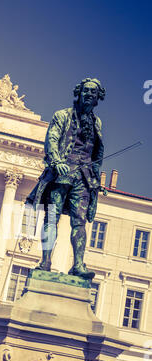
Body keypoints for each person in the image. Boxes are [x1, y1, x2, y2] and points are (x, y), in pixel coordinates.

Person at [26, 78, 106, 279]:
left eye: (93, 92)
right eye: (85, 91)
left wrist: (97, 179)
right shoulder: (62, 115)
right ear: (78, 93)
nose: (89, 94)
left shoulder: (96, 122)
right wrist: (56, 160)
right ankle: (45, 261)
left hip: (84, 177)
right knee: (51, 217)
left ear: (98, 98)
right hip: (62, 173)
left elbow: (96, 152)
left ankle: (78, 265)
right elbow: (52, 139)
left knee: (79, 222)